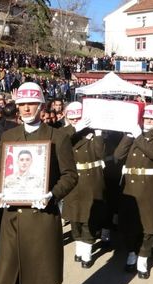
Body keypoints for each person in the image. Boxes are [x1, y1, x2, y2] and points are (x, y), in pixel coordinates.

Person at [0, 82, 77, 284]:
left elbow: (70, 176)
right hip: (13, 216)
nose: (26, 108)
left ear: (41, 107)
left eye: (31, 104)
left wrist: (52, 194)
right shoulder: (9, 135)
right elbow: (1, 171)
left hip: (41, 215)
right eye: (21, 104)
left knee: (38, 275)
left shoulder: (58, 136)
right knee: (7, 275)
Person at [115, 104, 153, 279]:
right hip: (130, 185)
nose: (148, 122)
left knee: (149, 225)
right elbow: (118, 156)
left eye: (152, 119)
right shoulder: (135, 133)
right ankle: (132, 252)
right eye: (146, 118)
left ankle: (143, 259)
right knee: (130, 224)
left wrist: (139, 136)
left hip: (149, 185)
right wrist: (128, 136)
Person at [60, 101, 105, 268]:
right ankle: (79, 245)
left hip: (91, 177)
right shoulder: (63, 132)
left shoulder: (92, 131)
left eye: (78, 118)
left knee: (88, 217)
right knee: (74, 217)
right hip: (73, 178)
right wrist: (74, 130)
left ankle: (86, 250)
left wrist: (99, 133)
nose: (75, 121)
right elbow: (59, 143)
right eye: (72, 118)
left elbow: (100, 153)